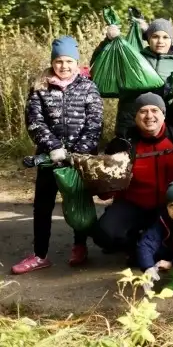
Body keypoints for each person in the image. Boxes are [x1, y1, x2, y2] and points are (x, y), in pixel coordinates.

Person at [12, 37, 104, 274]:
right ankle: (40, 254)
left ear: (77, 61)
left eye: (68, 61)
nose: (63, 66)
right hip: (49, 157)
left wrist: (78, 152)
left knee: (78, 202)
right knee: (43, 206)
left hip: (78, 159)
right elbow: (34, 121)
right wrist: (52, 147)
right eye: (58, 61)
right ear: (52, 62)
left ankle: (80, 245)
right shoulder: (40, 87)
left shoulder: (88, 87)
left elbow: (94, 124)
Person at [94, 93, 173, 254]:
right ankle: (135, 246)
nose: (149, 116)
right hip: (133, 205)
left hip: (169, 206)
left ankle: (149, 247)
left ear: (163, 114)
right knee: (104, 234)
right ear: (135, 116)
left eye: (154, 110)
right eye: (143, 111)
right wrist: (111, 181)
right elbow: (104, 193)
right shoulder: (123, 143)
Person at [101, 18, 173, 137]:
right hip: (129, 123)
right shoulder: (135, 58)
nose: (160, 41)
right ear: (148, 38)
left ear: (171, 40)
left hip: (162, 127)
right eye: (155, 36)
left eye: (165, 37)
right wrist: (108, 41)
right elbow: (105, 64)